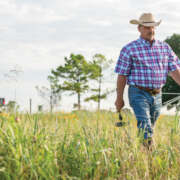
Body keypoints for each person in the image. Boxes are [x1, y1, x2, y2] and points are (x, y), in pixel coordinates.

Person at [114, 13, 180, 147]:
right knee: (145, 125)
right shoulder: (129, 49)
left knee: (150, 126)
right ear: (139, 28)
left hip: (157, 94)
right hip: (138, 93)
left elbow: (174, 70)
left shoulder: (164, 48)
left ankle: (143, 153)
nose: (151, 30)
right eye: (147, 27)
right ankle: (148, 157)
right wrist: (119, 98)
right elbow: (122, 75)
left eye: (153, 27)